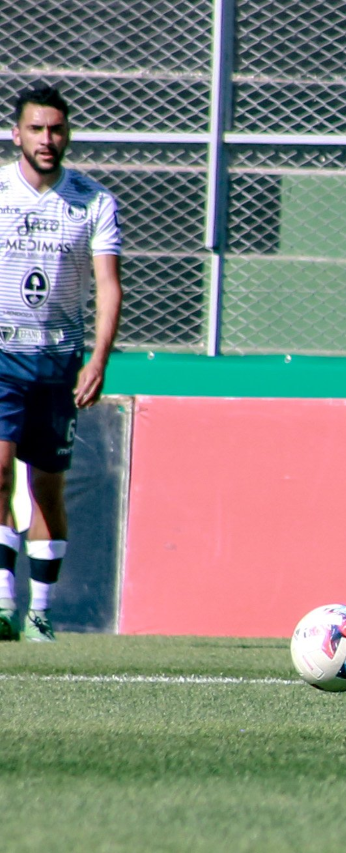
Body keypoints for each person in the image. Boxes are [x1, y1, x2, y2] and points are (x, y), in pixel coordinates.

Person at [0, 84, 122, 642]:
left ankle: (40, 613)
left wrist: (98, 357)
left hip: (58, 360)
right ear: (17, 133)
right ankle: (4, 604)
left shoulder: (93, 201)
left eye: (57, 129)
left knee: (47, 485)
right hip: (2, 355)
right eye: (37, 129)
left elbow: (107, 283)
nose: (47, 140)